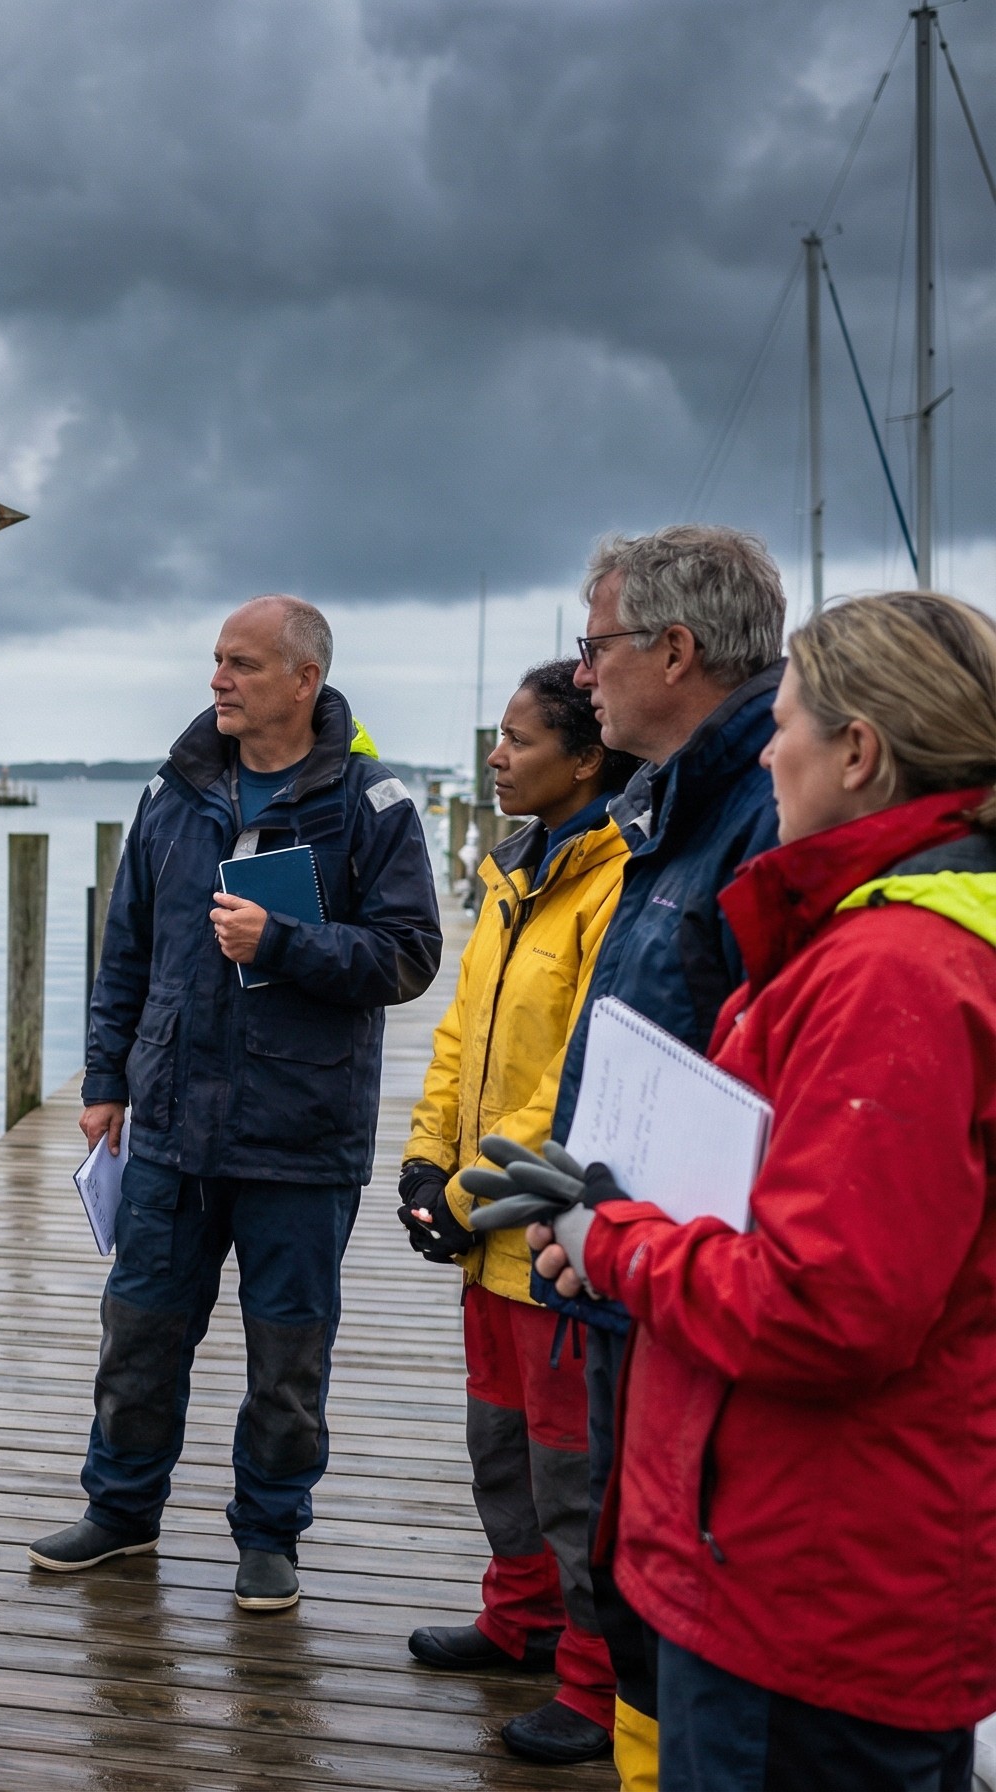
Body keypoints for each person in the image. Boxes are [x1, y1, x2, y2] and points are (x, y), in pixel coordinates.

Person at [529, 590, 996, 1790]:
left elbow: (825, 1301)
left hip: (807, 1589)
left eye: (784, 722)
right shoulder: (901, 941)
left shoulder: (892, 973)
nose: (768, 751)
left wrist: (614, 1235)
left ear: (861, 750)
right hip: (812, 1556)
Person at [30, 594, 442, 1609]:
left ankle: (269, 1533)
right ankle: (122, 1511)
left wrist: (286, 943)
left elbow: (411, 955)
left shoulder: (371, 805)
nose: (219, 679)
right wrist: (105, 1080)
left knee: (286, 1352)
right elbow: (126, 944)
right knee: (139, 1330)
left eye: (244, 664)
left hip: (303, 1134)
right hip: (172, 1121)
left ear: (303, 681)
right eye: (217, 660)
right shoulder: (173, 793)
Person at [544, 525, 785, 1788]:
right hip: (628, 1269)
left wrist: (623, 1234)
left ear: (676, 650)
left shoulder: (761, 819)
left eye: (597, 647)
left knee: (673, 1593)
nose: (582, 675)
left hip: (687, 1292)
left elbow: (765, 1092)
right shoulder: (674, 810)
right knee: (629, 1573)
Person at [397, 660, 638, 1765]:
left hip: (545, 1229)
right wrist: (421, 1159)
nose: (496, 755)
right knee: (498, 1441)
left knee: (569, 1462)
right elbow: (461, 1038)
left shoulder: (614, 878)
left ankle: (592, 1683)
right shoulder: (511, 872)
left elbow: (579, 1071)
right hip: (483, 1226)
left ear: (585, 758)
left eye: (517, 739)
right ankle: (522, 1617)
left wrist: (467, 1192)